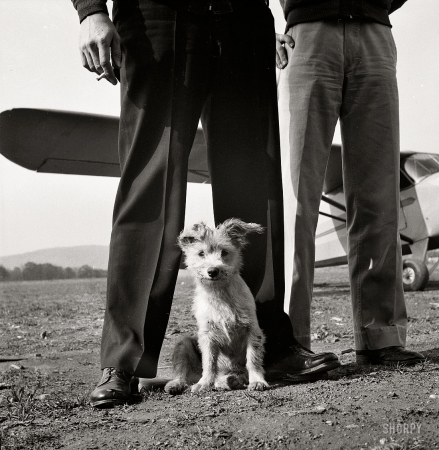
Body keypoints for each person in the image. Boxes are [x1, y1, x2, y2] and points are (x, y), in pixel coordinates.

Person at [71, 0, 340, 408]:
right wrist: (91, 9)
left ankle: (271, 344)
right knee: (150, 186)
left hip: (243, 22)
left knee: (253, 177)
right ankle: (122, 361)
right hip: (156, 16)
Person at [276, 0, 425, 365]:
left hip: (374, 33)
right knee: (297, 196)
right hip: (307, 35)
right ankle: (287, 343)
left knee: (379, 193)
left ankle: (380, 336)